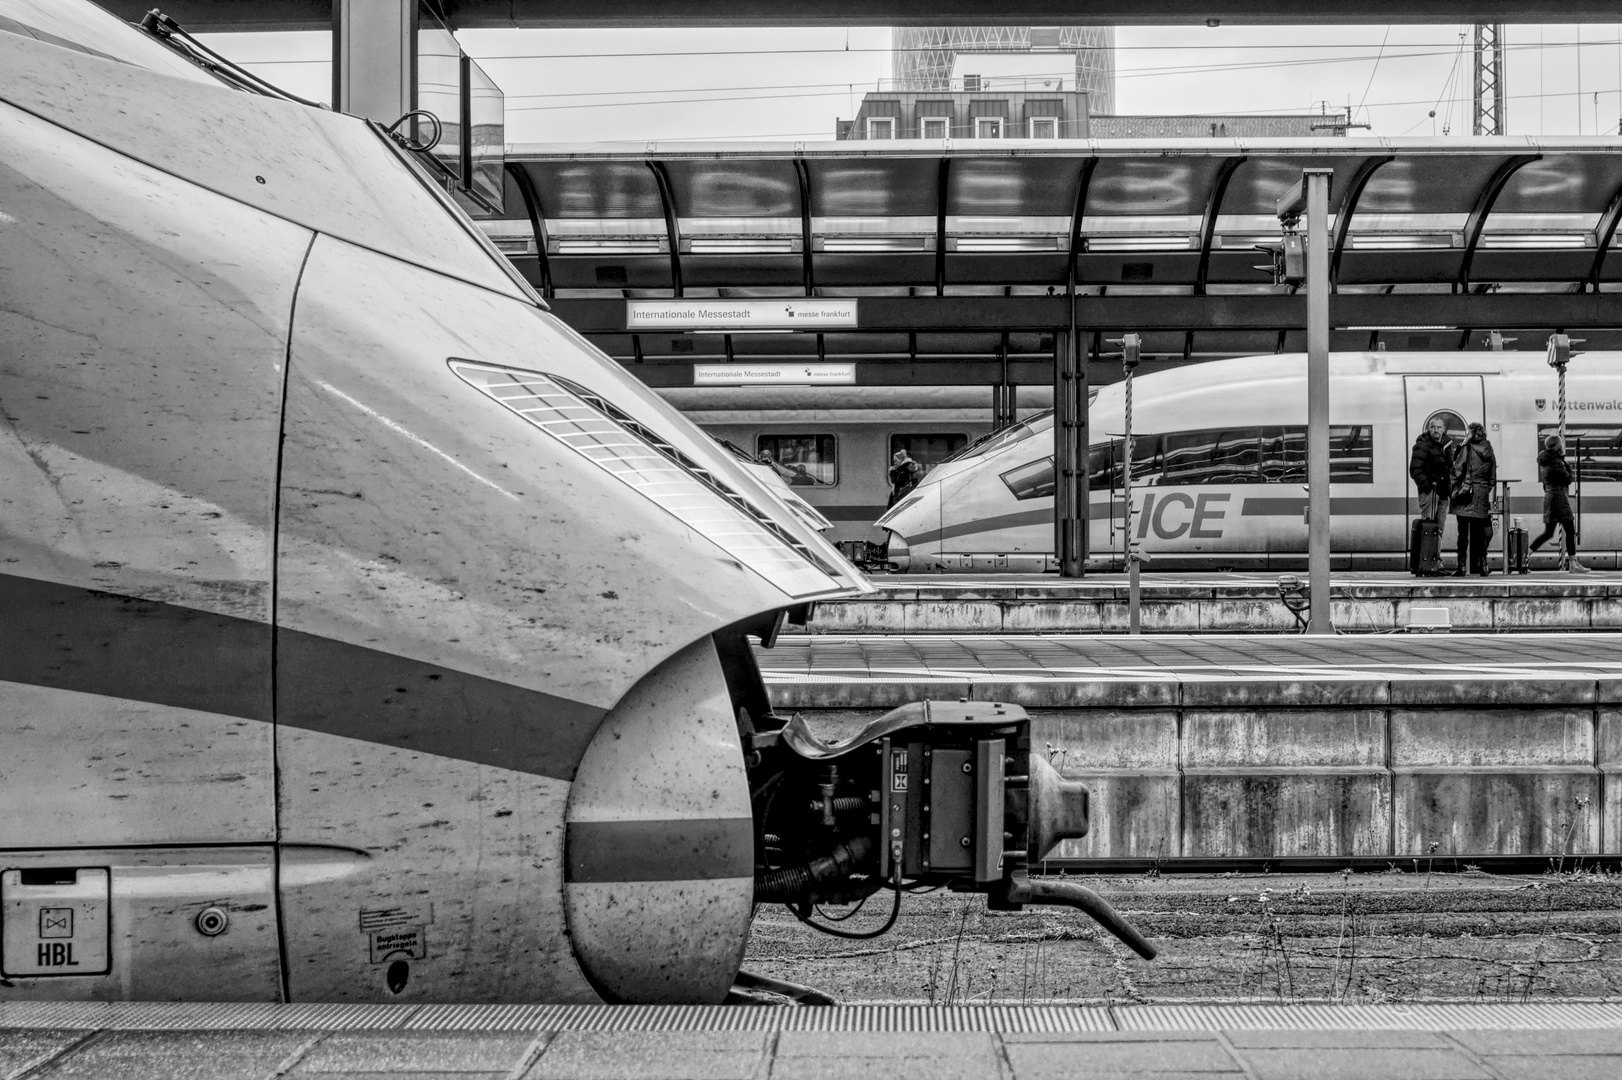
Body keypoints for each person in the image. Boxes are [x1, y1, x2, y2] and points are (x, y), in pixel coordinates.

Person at [1531, 434, 1588, 573]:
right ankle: (1573, 564)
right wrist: (1567, 465)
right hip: (1559, 498)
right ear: (1558, 446)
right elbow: (1568, 479)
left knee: (1548, 533)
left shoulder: (1545, 461)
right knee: (1570, 530)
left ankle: (1523, 555)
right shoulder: (1557, 461)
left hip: (1549, 497)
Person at [1449, 421, 1497, 576]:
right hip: (1481, 495)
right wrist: (1483, 489)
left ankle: (1461, 567)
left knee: (1463, 533)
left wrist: (1452, 488)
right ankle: (1483, 566)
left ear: (1470, 433)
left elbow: (1457, 470)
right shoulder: (1489, 449)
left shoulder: (1466, 448)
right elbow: (1492, 477)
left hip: (1466, 495)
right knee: (1482, 531)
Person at [1409, 415, 1452, 525]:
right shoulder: (1422, 445)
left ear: (1443, 429)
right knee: (1428, 529)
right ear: (1429, 428)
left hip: (1444, 492)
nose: (1436, 430)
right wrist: (1428, 486)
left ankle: (1438, 543)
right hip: (1430, 493)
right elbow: (1415, 469)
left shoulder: (1446, 445)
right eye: (1433, 427)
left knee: (1439, 528)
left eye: (1439, 427)